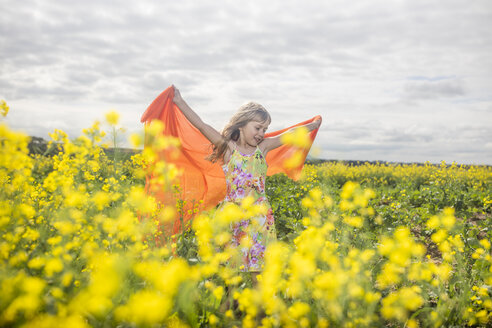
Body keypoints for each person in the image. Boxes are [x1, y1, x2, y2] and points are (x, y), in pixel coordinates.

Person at [172, 85, 321, 276]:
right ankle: (231, 304)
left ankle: (258, 305)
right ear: (241, 124)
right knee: (231, 274)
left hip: (260, 217)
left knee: (259, 271)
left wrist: (313, 125)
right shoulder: (228, 149)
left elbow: (288, 136)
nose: (261, 133)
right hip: (233, 217)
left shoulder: (264, 147)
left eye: (265, 129)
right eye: (258, 128)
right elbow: (201, 125)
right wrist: (179, 101)